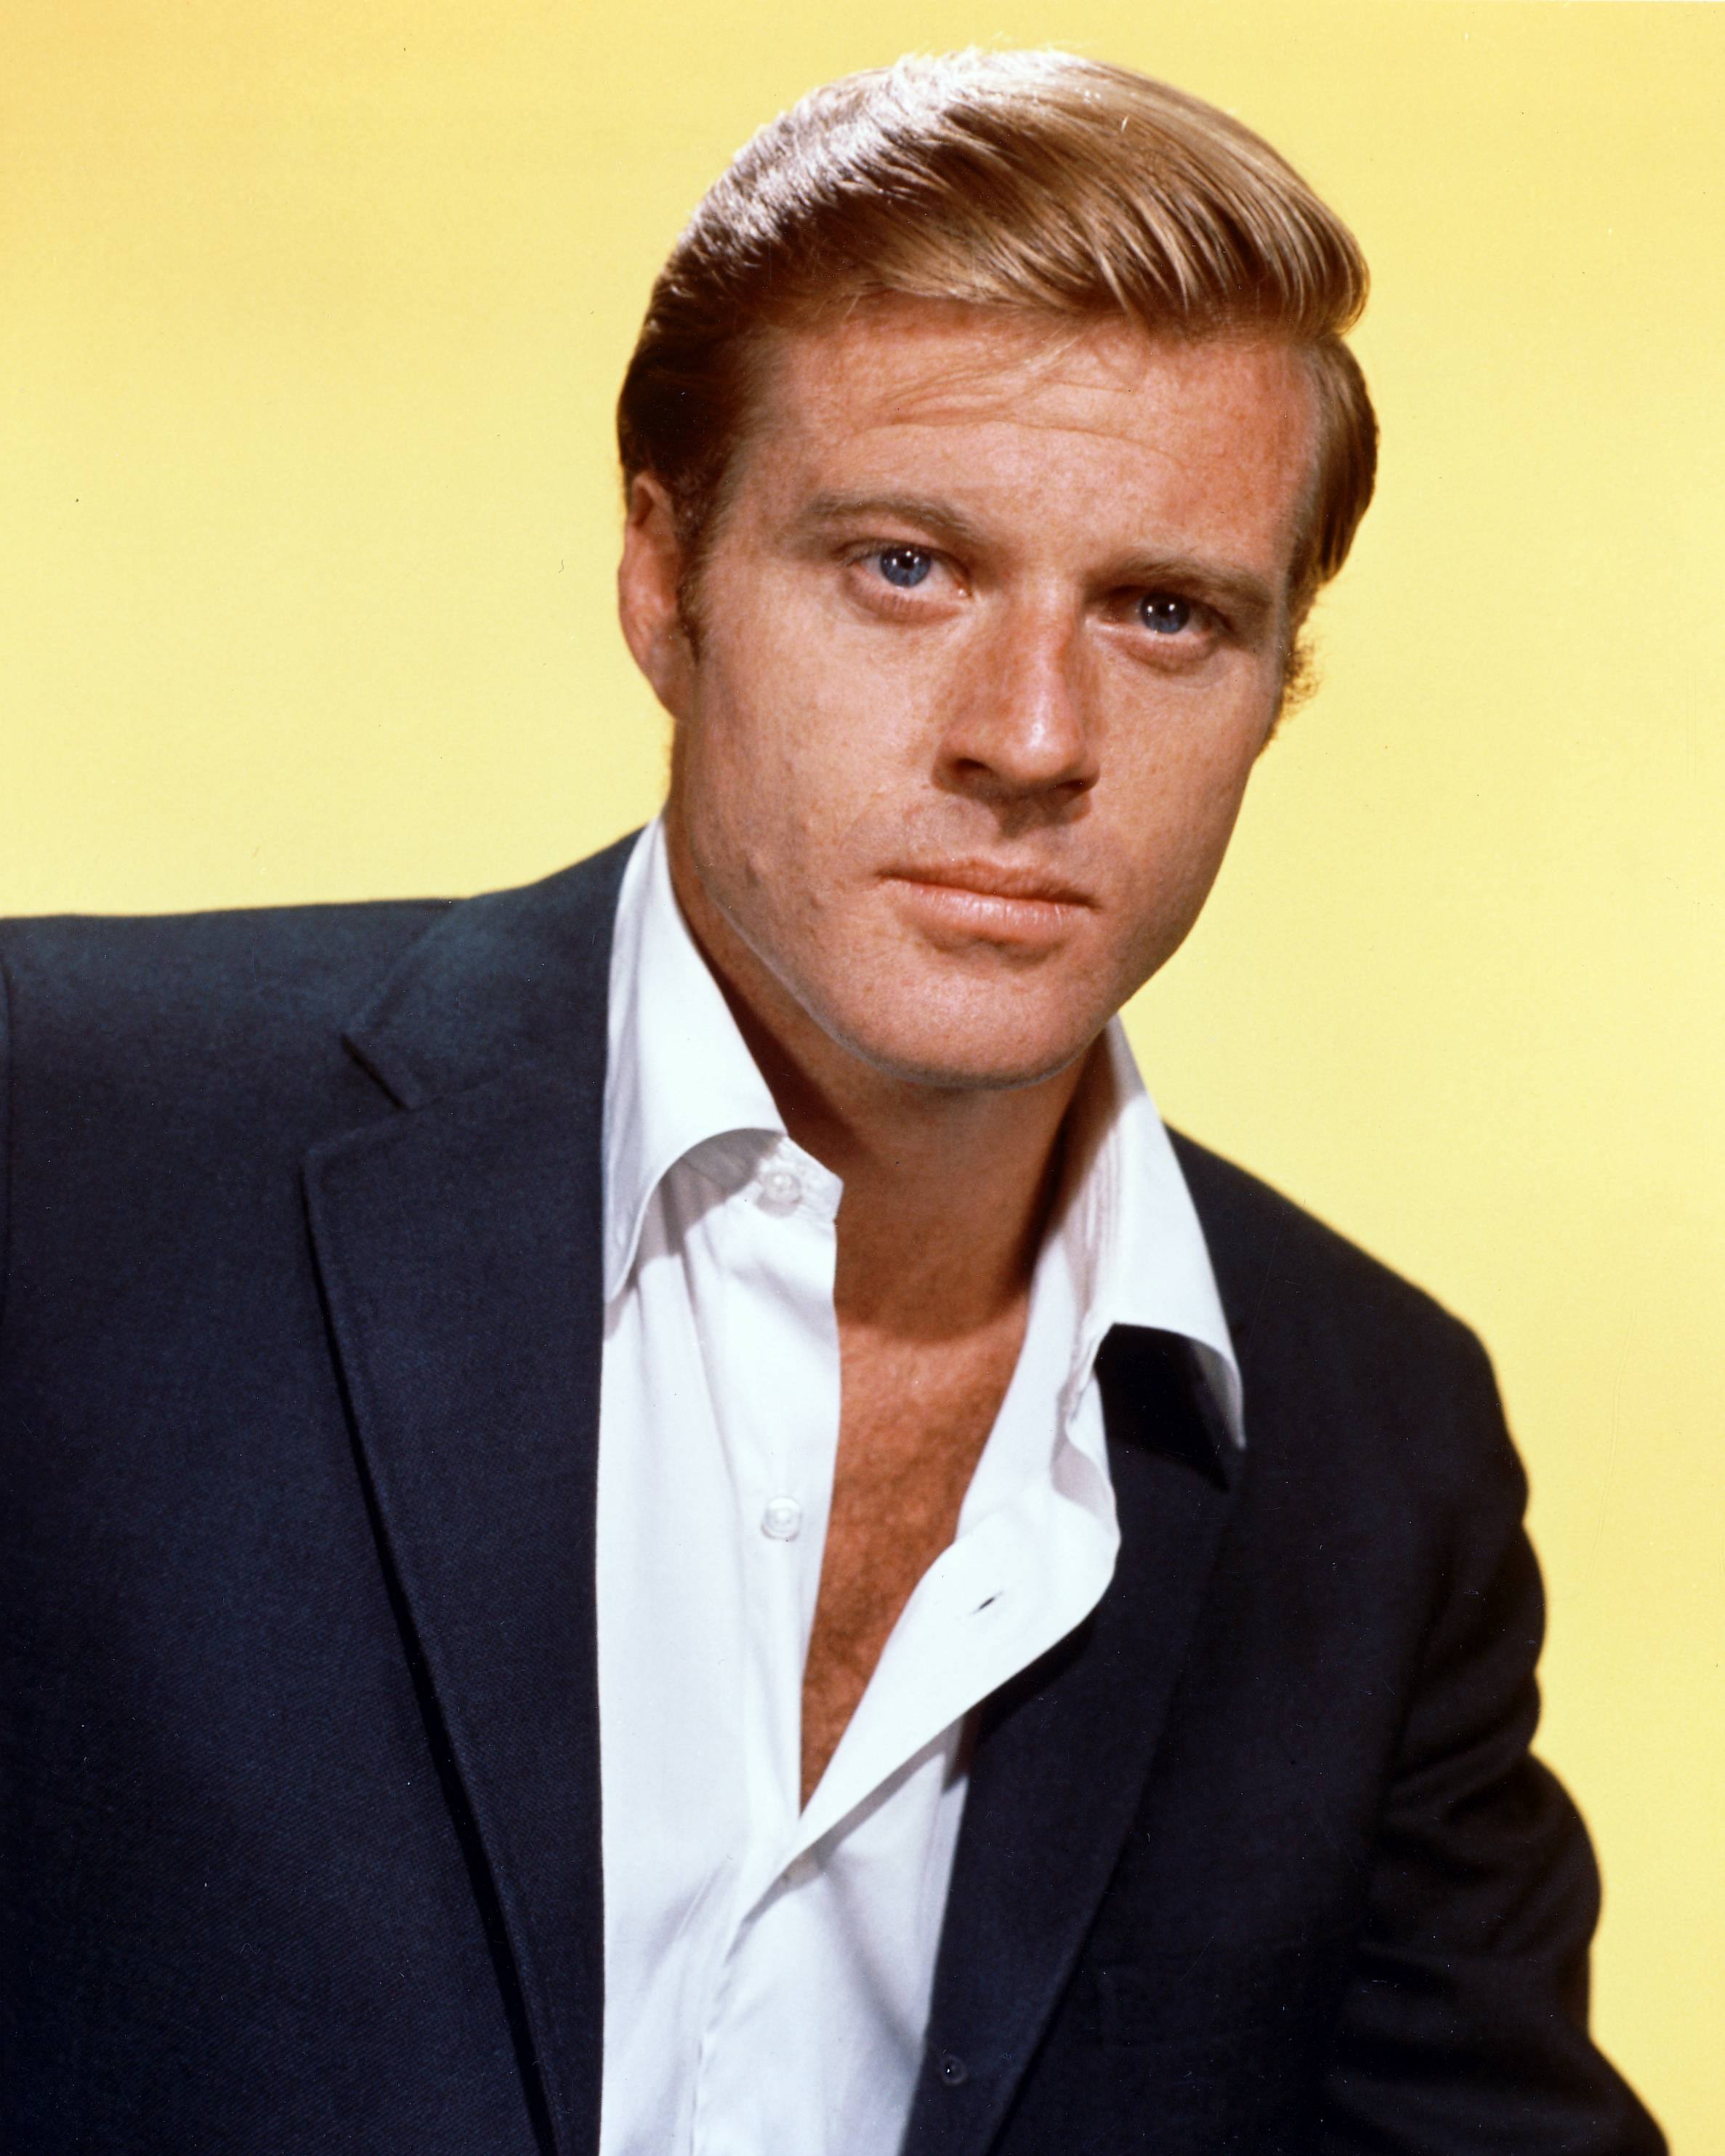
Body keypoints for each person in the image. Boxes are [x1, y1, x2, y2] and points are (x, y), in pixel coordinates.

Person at [0, 47, 1665, 2156]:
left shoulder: (1376, 1445)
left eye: (1165, 612)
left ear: (1276, 687)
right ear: (662, 577)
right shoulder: (66, 1149)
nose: (1032, 735)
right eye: (905, 567)